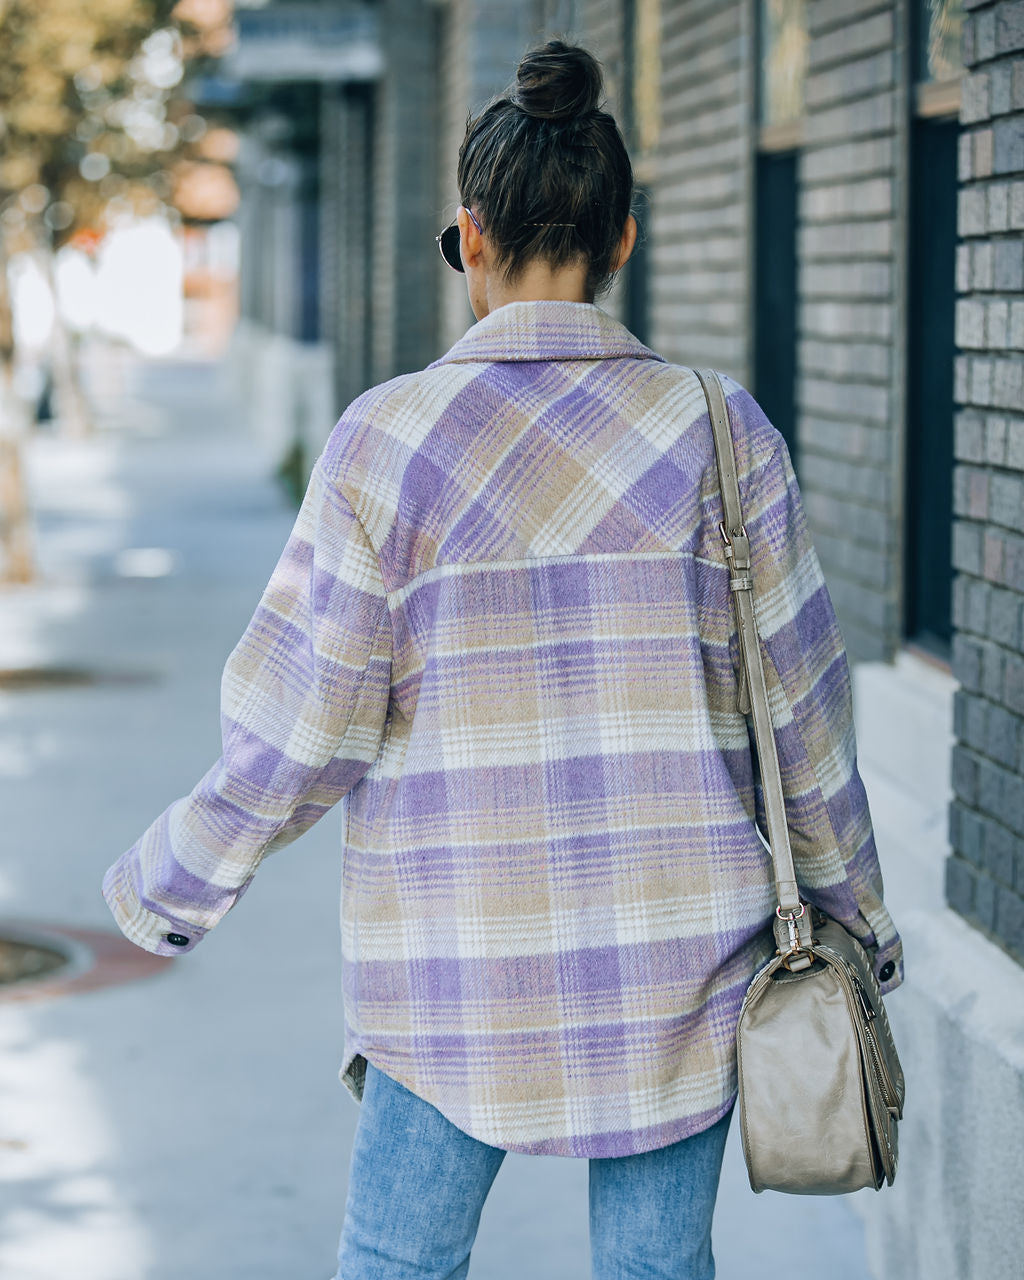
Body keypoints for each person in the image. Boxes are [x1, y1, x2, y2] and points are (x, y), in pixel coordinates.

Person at [103, 39, 903, 1280]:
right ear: (623, 238)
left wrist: (176, 879)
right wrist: (857, 910)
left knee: (397, 1264)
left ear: (467, 237)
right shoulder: (717, 428)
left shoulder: (387, 441)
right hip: (679, 951)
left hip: (449, 960)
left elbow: (303, 724)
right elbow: (800, 711)